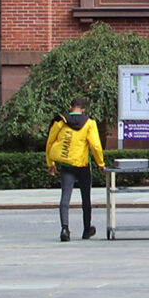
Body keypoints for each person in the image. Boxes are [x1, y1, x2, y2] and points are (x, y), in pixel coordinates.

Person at [46, 97, 104, 242]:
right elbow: (96, 146)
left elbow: (50, 142)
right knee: (86, 198)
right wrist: (100, 163)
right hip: (83, 165)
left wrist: (50, 163)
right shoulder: (89, 123)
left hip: (66, 165)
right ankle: (86, 230)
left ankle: (64, 228)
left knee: (65, 197)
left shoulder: (60, 121)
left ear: (70, 107)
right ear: (83, 109)